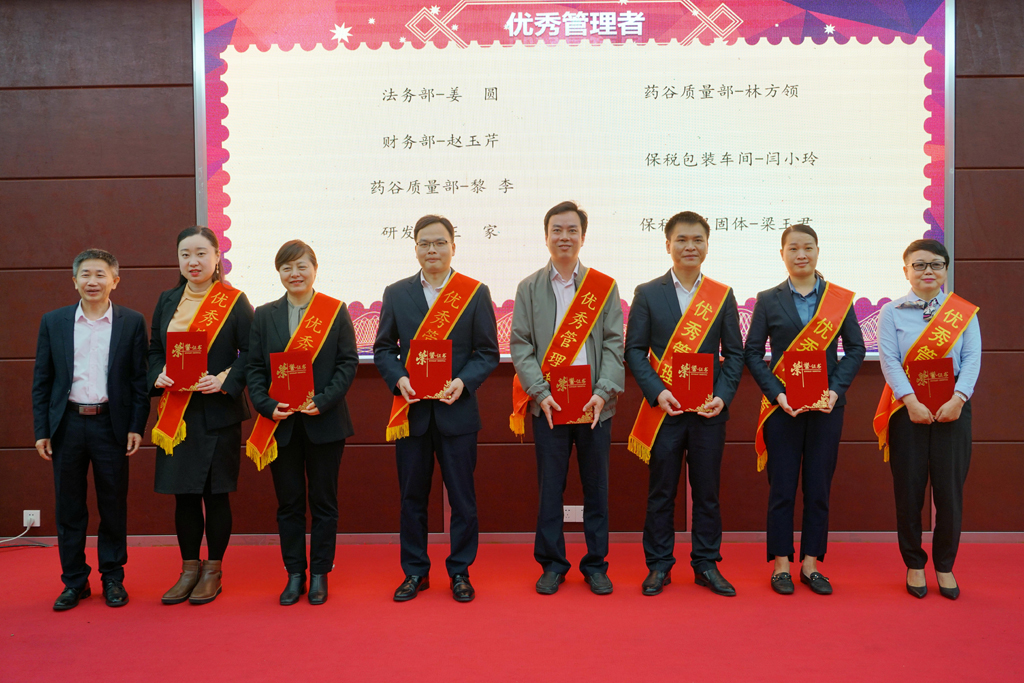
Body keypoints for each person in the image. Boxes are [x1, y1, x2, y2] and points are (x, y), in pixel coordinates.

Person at [373, 215, 499, 603]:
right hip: (412, 413)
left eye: (440, 242)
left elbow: (487, 352)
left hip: (456, 412)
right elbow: (383, 349)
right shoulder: (397, 293)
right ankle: (415, 572)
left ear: (453, 247)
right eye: (425, 243)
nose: (433, 250)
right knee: (412, 498)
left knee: (463, 500)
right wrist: (399, 378)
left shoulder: (474, 292)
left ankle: (460, 571)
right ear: (415, 248)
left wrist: (463, 382)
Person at [624, 212, 743, 597]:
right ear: (668, 245)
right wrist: (658, 392)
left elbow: (735, 354)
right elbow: (635, 350)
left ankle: (706, 564)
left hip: (708, 412)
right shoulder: (648, 292)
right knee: (661, 492)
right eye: (681, 240)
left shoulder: (721, 295)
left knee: (707, 493)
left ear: (707, 245)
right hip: (665, 412)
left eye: (697, 240)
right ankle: (659, 565)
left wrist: (722, 397)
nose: (690, 246)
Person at [509, 200, 624, 596]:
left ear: (583, 237)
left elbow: (614, 344)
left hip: (594, 406)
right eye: (556, 230)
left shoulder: (603, 287)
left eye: (572, 230)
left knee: (597, 489)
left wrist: (602, 392)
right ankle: (552, 564)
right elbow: (521, 346)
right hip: (549, 406)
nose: (564, 237)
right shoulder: (528, 288)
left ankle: (596, 565)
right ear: (546, 237)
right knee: (550, 490)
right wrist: (539, 393)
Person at [744, 224, 865, 595]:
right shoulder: (768, 299)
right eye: (793, 248)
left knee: (818, 488)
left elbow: (856, 349)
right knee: (781, 488)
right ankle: (781, 564)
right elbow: (753, 353)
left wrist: (835, 391)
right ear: (782, 254)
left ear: (817, 251)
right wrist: (777, 394)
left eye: (808, 247)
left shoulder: (838, 299)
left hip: (827, 408)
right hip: (783, 409)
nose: (801, 254)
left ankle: (811, 564)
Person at [32, 249, 150, 611]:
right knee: (69, 508)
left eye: (100, 274)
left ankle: (112, 577)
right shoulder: (54, 321)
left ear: (115, 280)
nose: (92, 281)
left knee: (112, 505)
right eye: (85, 274)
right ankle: (74, 581)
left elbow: (139, 381)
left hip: (110, 424)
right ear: (74, 281)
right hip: (66, 424)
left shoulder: (132, 322)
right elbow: (42, 380)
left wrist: (136, 426)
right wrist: (42, 429)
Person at [246, 240, 358, 605]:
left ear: (315, 269)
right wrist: (266, 405)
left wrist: (323, 401)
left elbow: (347, 363)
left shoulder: (334, 310)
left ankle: (320, 573)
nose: (295, 274)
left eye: (301, 266)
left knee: (324, 502)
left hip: (324, 423)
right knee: (289, 503)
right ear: (279, 273)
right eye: (287, 268)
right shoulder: (265, 314)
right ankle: (295, 573)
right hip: (282, 425)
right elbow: (255, 367)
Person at [149, 226, 252, 605]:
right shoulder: (167, 300)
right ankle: (189, 568)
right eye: (185, 254)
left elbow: (252, 354)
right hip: (177, 416)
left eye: (201, 253)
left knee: (216, 495)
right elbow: (154, 349)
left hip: (217, 412)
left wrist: (224, 379)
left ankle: (213, 571)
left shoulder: (234, 301)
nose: (193, 262)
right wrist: (157, 373)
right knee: (185, 496)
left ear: (216, 258)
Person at [875, 239, 980, 600]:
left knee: (950, 493)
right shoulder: (891, 312)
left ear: (945, 270)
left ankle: (945, 565)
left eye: (936, 264)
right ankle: (914, 563)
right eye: (919, 265)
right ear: (906, 271)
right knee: (909, 491)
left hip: (954, 410)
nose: (928, 271)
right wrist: (911, 402)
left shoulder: (962, 312)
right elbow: (889, 360)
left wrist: (959, 398)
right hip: (908, 412)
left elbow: (972, 359)